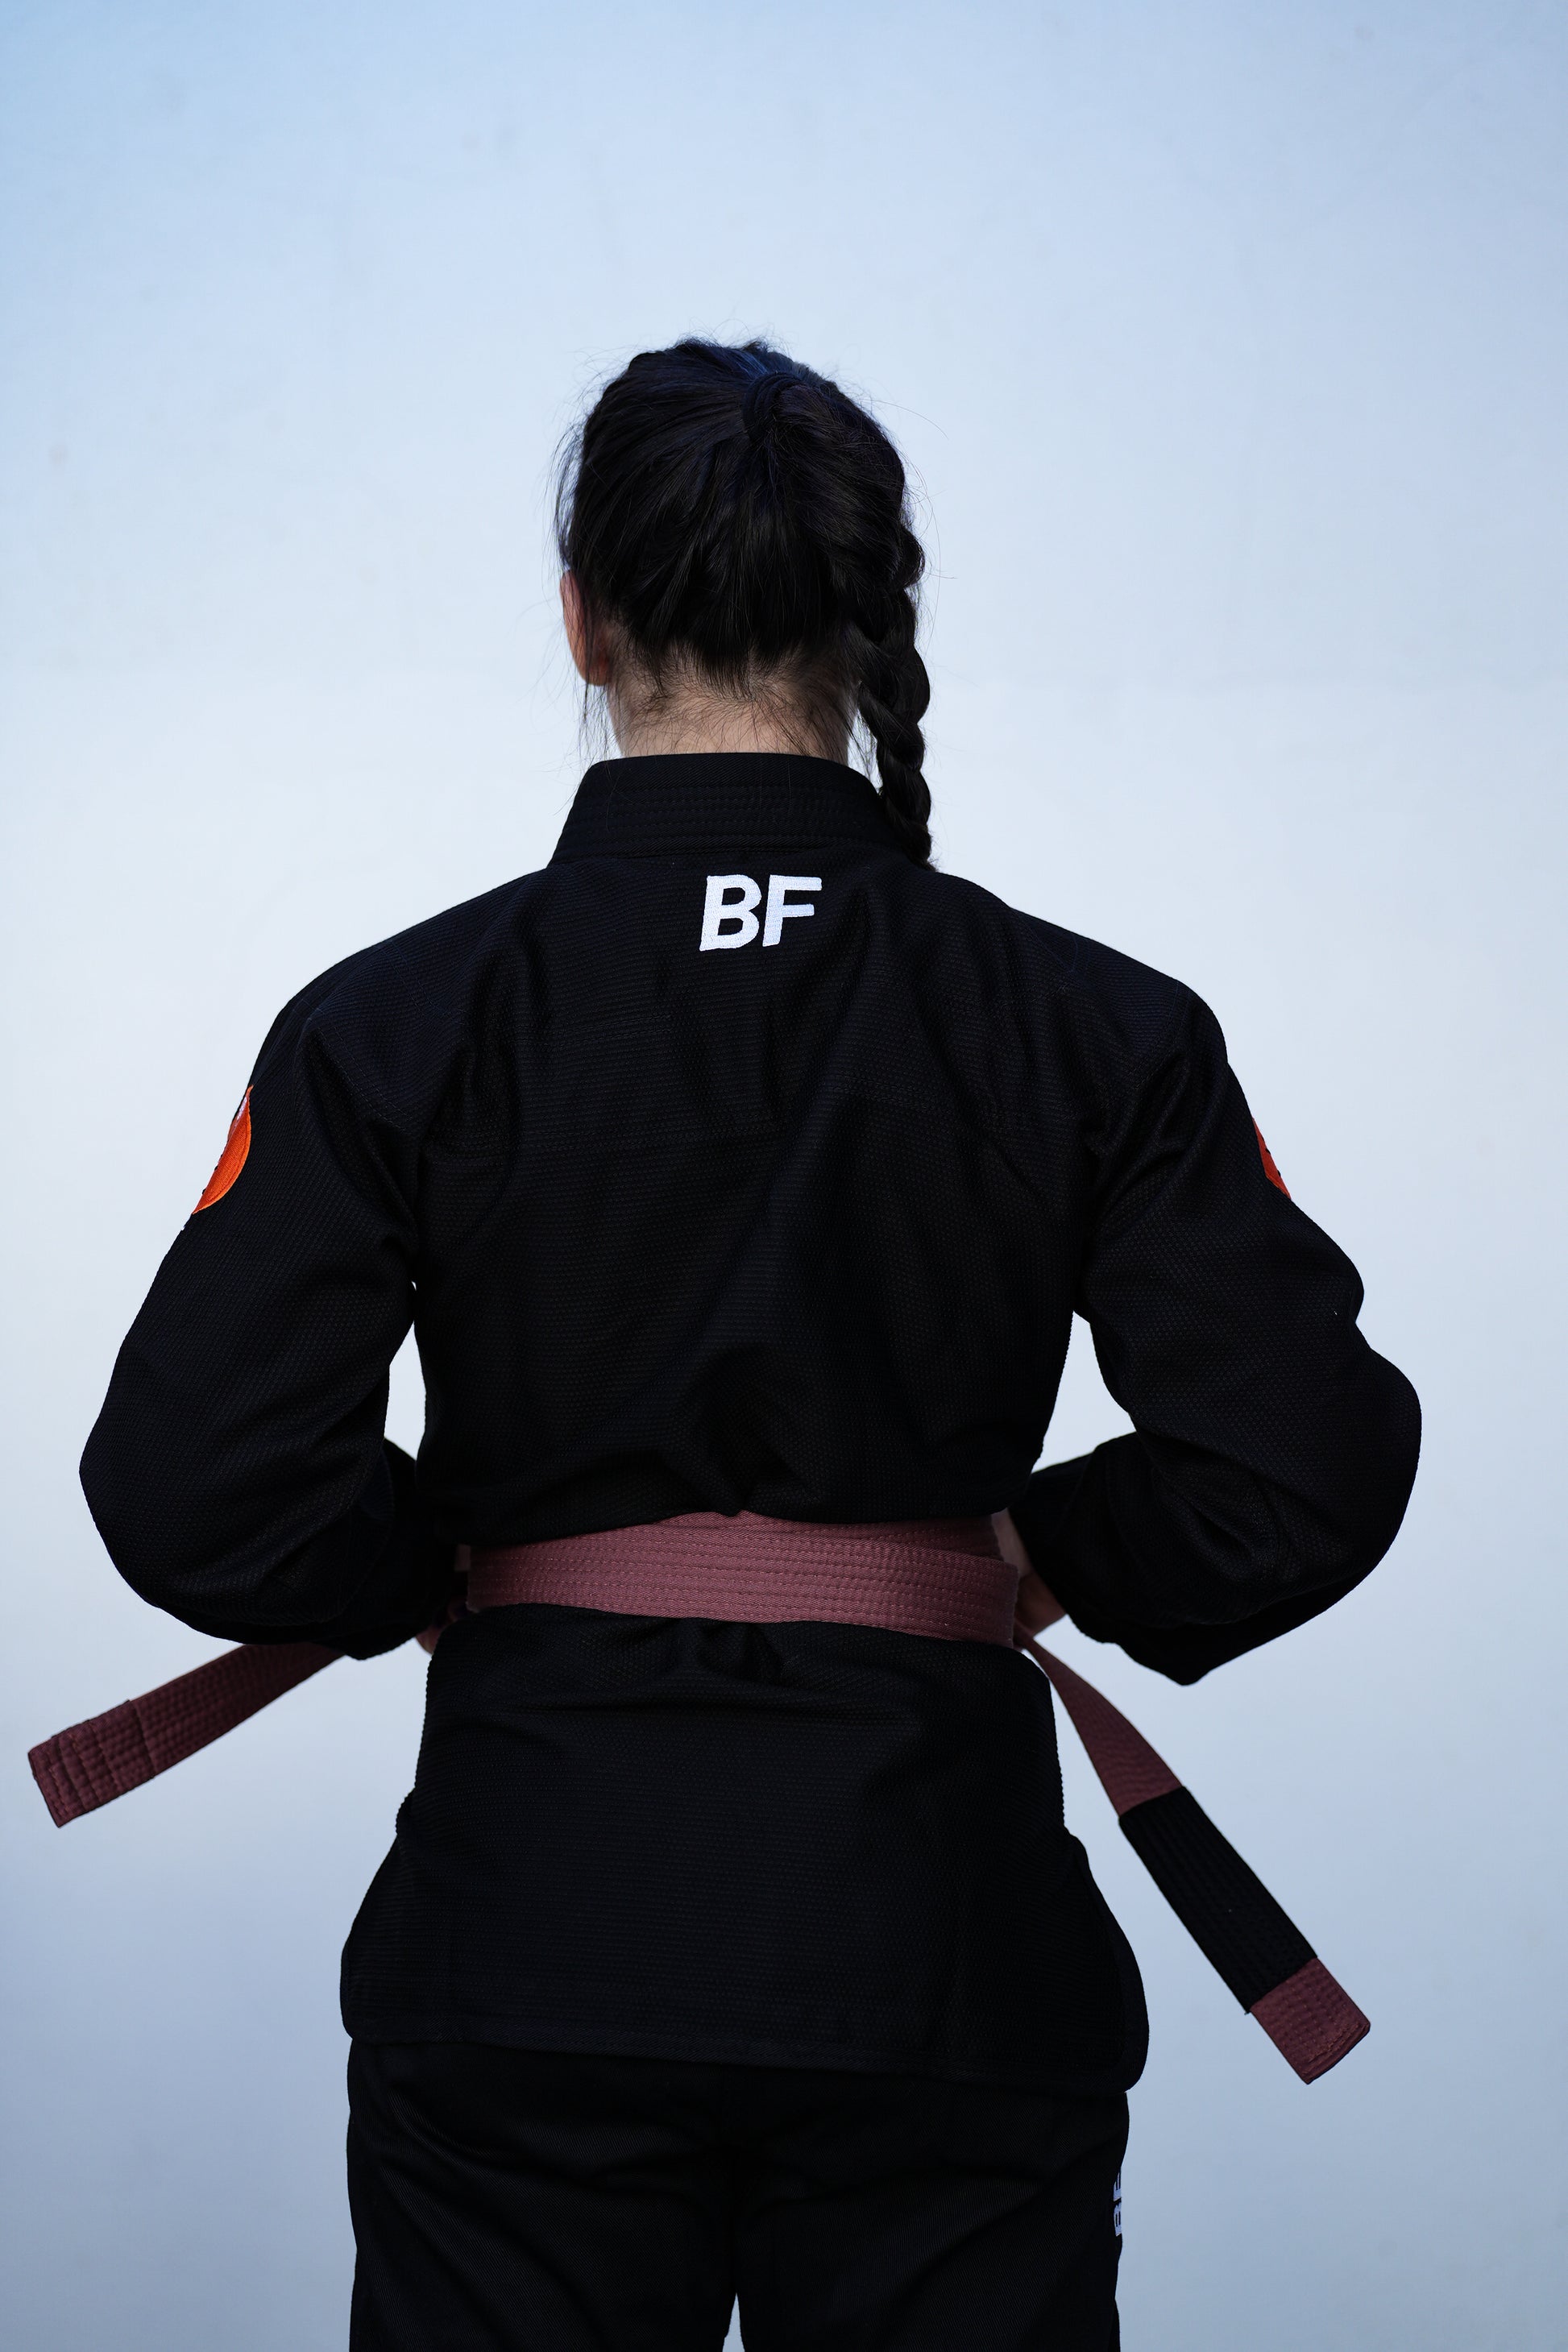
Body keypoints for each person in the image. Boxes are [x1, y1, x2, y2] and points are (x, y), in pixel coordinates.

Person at [80, 338, 1420, 2350]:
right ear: (869, 628)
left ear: (581, 619)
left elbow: (195, 1477)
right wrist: (1040, 1555)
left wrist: (438, 1559)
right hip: (937, 1941)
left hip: (533, 1926)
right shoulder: (1095, 1026)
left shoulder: (399, 1020)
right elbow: (1304, 1454)